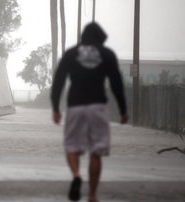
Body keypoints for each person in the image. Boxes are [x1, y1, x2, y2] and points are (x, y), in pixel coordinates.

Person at [51, 22, 128, 202]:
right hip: (98, 106)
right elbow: (116, 83)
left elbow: (59, 81)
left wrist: (55, 108)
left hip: (75, 106)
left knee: (71, 146)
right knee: (96, 151)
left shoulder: (71, 53)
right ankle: (92, 195)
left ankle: (76, 175)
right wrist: (123, 110)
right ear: (100, 38)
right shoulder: (107, 54)